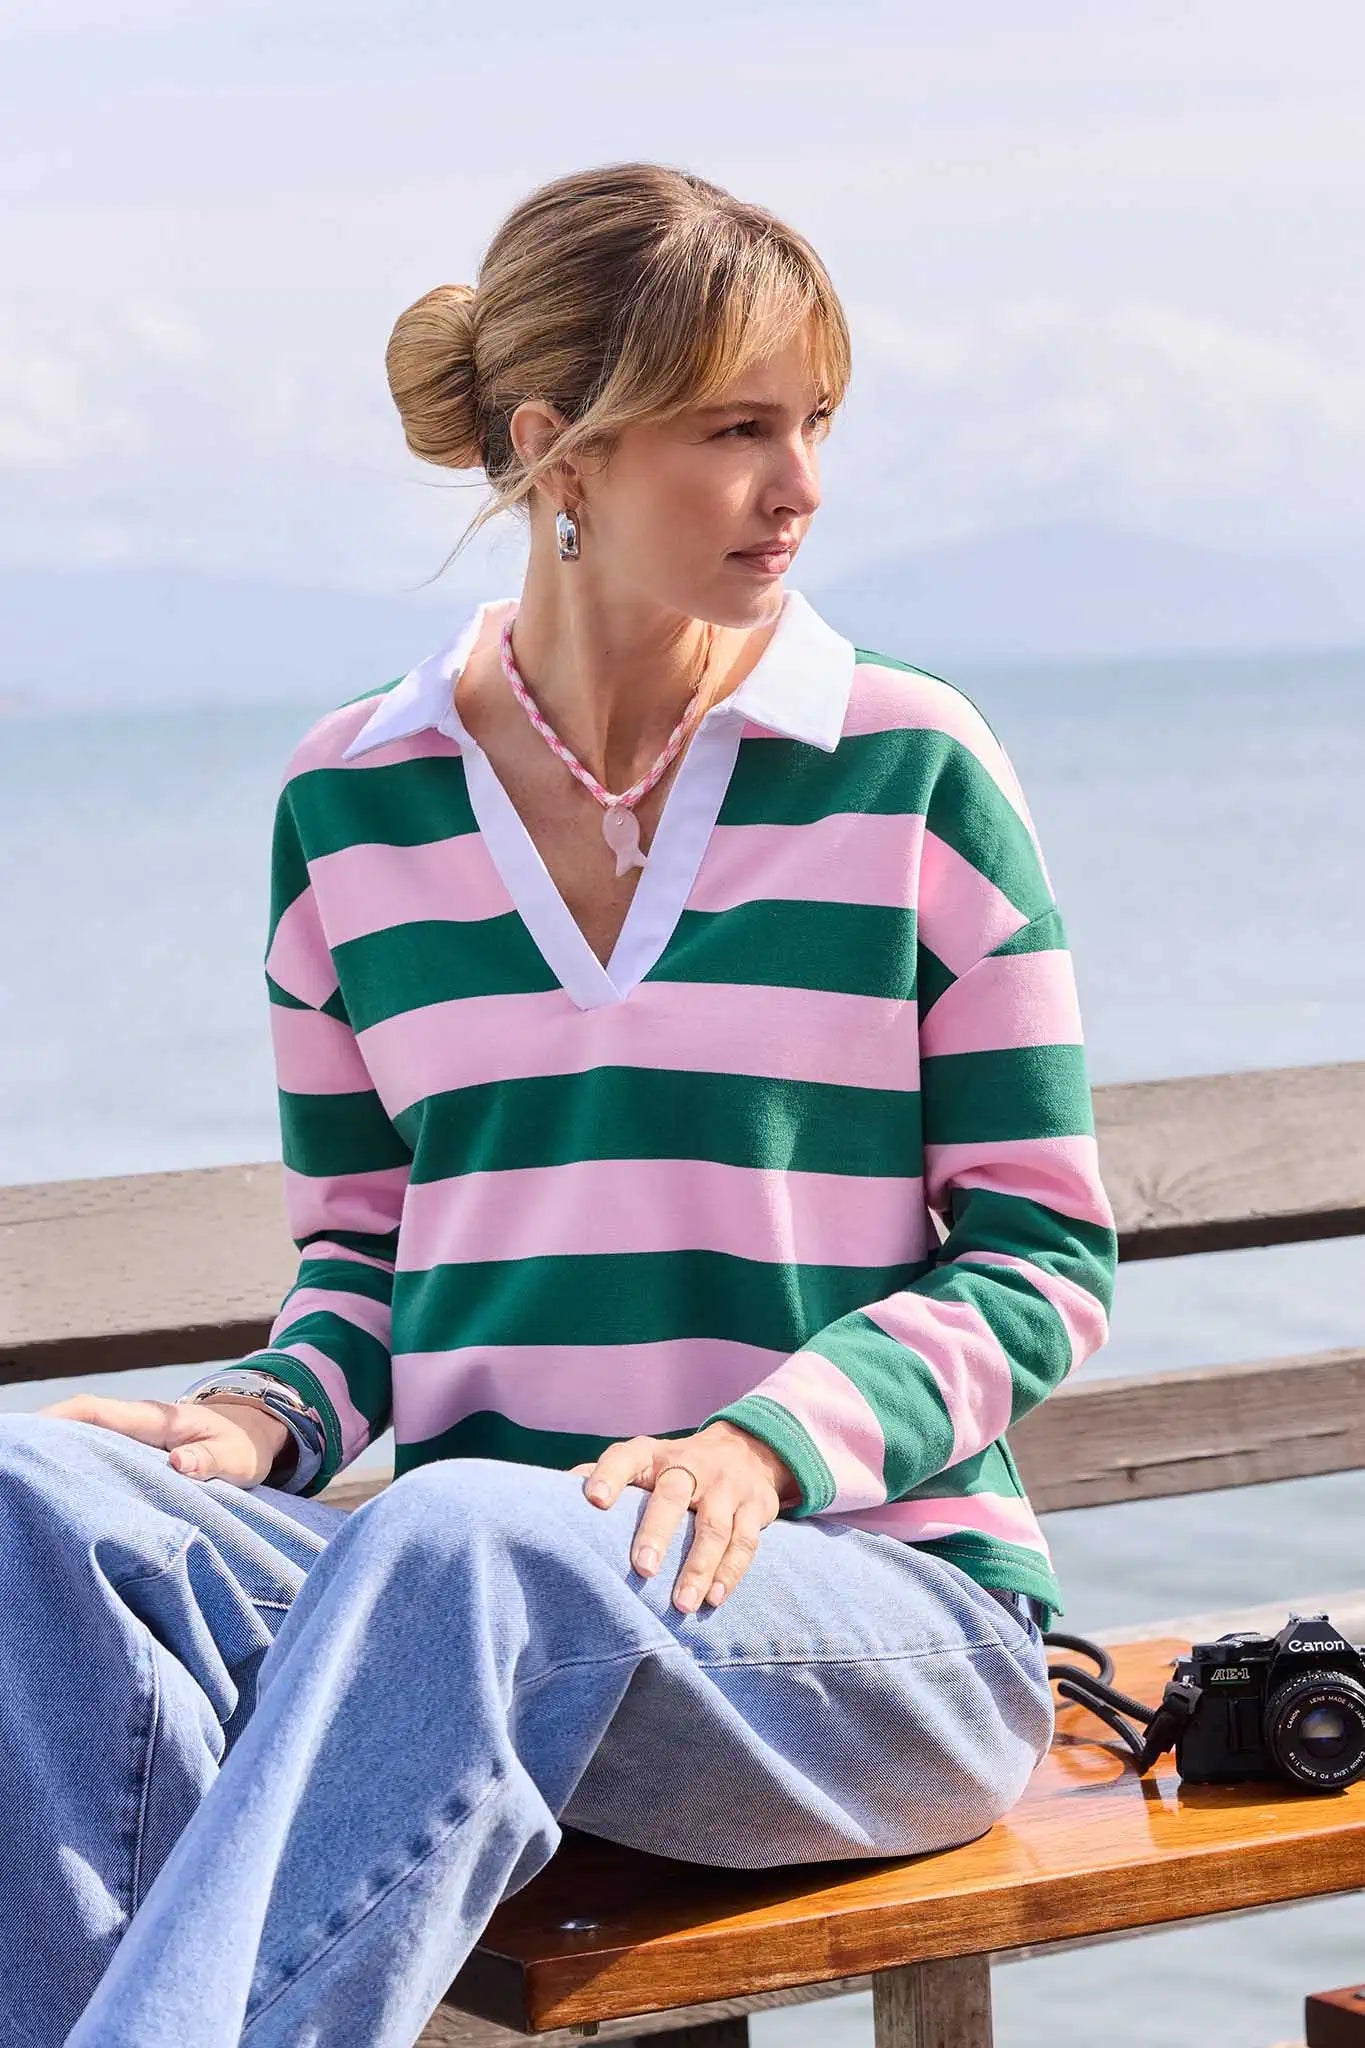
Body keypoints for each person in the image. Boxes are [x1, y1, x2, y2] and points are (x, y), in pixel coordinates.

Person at [1, 160, 1118, 2048]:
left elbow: (1040, 1253)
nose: (802, 485)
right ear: (561, 453)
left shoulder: (905, 765)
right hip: (460, 1620)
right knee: (36, 1494)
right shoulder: (348, 803)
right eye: (736, 426)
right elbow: (366, 1253)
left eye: (815, 423)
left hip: (856, 1627)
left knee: (471, 1533)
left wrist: (752, 1450)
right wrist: (266, 1415)